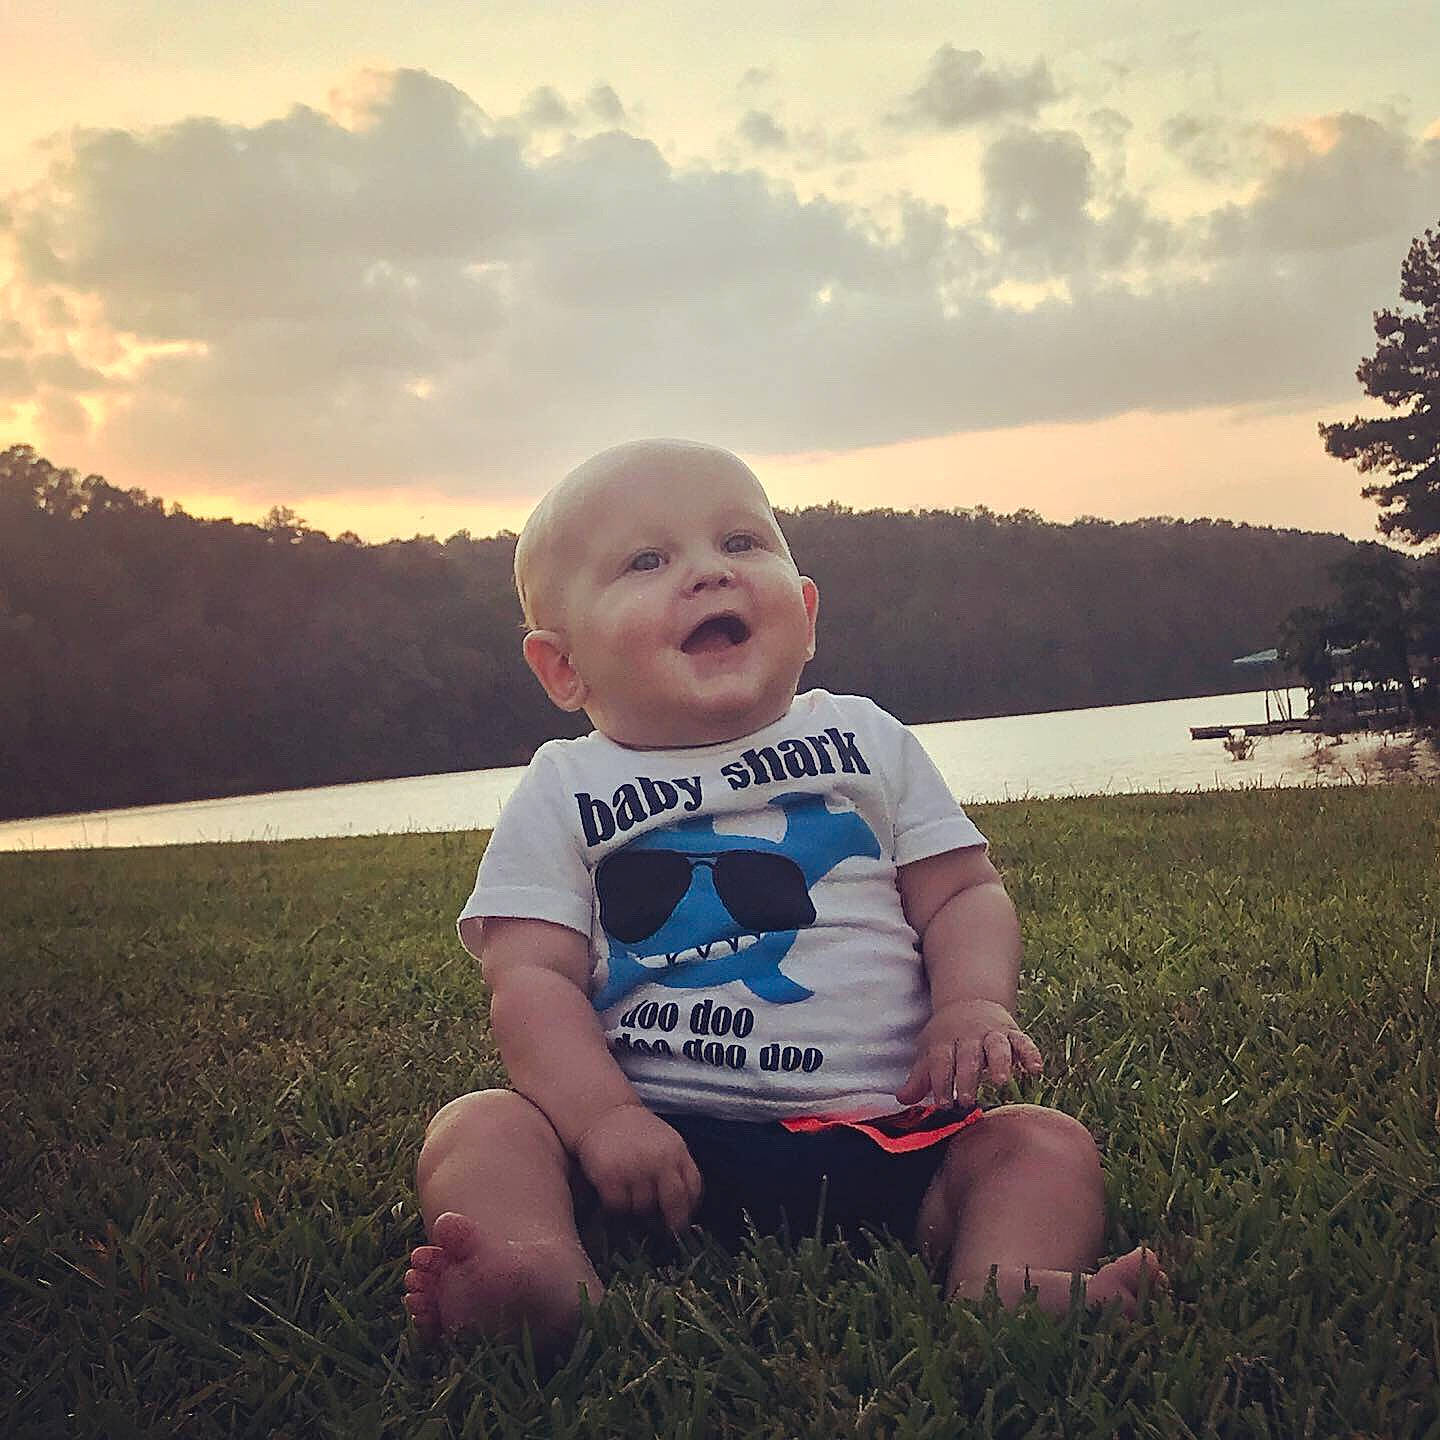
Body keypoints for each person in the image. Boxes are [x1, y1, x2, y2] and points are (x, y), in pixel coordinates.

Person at [404, 438, 1164, 1348]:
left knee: (1042, 1144)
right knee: (482, 1127)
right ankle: (536, 1269)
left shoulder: (866, 742)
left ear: (805, 615)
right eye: (648, 561)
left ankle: (1004, 1284)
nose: (706, 575)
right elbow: (529, 979)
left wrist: (969, 1003)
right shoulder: (566, 787)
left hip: (886, 1145)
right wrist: (604, 1121)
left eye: (740, 543)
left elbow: (961, 892)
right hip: (654, 1154)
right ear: (563, 668)